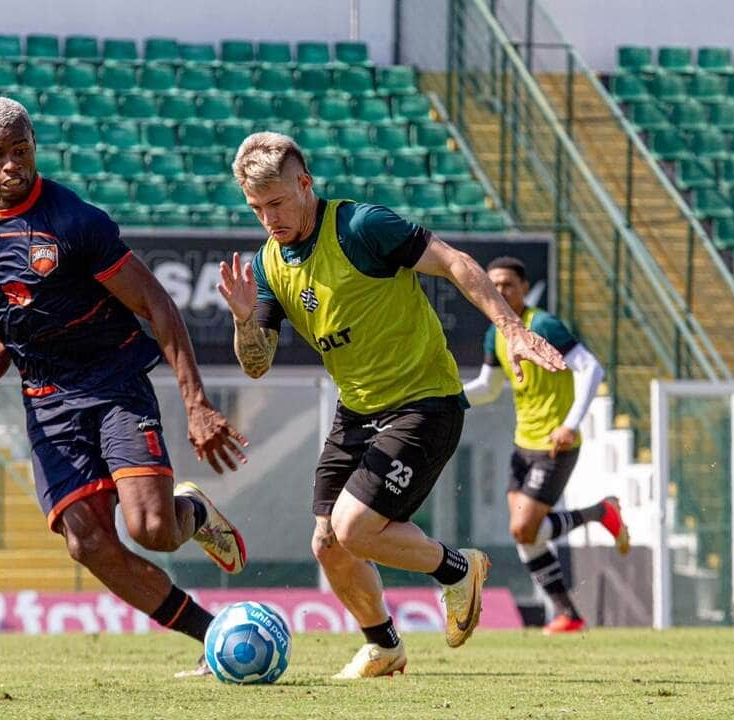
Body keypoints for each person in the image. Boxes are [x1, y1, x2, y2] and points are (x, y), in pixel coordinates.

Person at [217, 132, 566, 679]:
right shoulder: (267, 265)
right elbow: (256, 364)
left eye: (278, 203)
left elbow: (454, 261)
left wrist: (511, 327)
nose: (269, 218)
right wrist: (243, 319)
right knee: (329, 542)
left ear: (305, 184)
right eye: (257, 208)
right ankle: (384, 646)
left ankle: (458, 570)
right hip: (356, 409)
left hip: (424, 401)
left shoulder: (360, 228)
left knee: (355, 529)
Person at [0, 97, 249, 674]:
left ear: (34, 144)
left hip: (112, 384)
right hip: (47, 403)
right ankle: (213, 637)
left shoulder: (75, 222)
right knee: (86, 542)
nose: (12, 165)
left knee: (154, 530)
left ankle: (193, 512)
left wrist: (197, 404)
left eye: (21, 151)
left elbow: (156, 304)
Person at [461, 256, 630, 635]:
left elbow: (592, 368)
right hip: (523, 445)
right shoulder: (497, 332)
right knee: (524, 534)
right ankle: (568, 613)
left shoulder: (543, 325)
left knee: (525, 527)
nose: (500, 291)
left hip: (556, 444)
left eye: (507, 285)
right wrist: (449, 399)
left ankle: (601, 513)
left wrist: (570, 425)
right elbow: (489, 388)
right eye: (494, 285)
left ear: (523, 288)